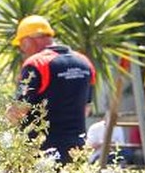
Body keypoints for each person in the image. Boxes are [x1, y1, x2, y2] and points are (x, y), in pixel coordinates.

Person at [6, 15, 96, 164]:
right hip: (77, 150)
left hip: (42, 154)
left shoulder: (36, 64)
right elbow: (87, 108)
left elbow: (19, 110)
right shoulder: (84, 62)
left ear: (29, 40)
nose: (21, 49)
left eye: (21, 43)